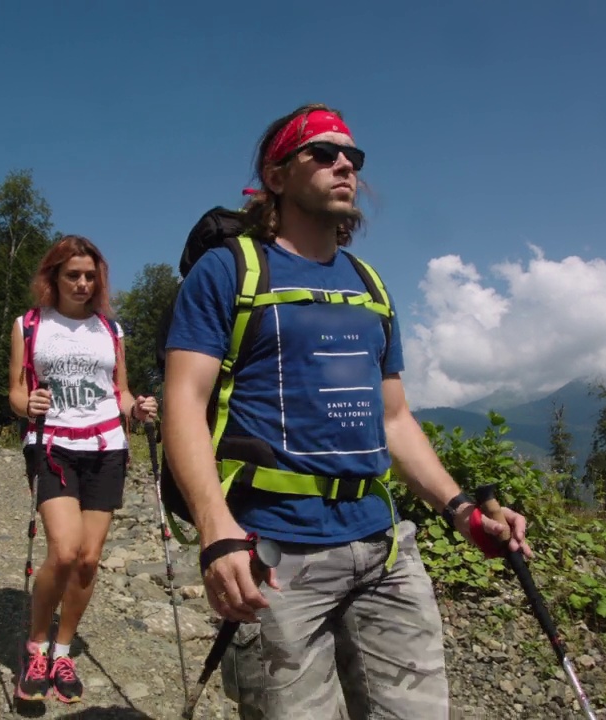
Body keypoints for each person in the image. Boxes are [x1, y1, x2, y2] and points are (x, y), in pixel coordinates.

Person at [162, 104, 532, 719]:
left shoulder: (370, 285)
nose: (345, 165)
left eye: (352, 158)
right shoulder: (229, 271)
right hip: (275, 554)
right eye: (323, 153)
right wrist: (215, 529)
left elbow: (394, 420)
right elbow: (184, 402)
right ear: (276, 176)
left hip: (384, 548)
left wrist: (462, 511)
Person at [7, 234, 158, 704]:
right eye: (73, 274)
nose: (82, 283)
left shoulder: (110, 331)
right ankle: (36, 643)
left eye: (90, 276)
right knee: (66, 550)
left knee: (90, 559)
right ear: (53, 275)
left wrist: (138, 410)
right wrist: (25, 403)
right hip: (51, 444)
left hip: (106, 448)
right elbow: (14, 392)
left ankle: (64, 649)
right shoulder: (30, 325)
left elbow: (121, 392)